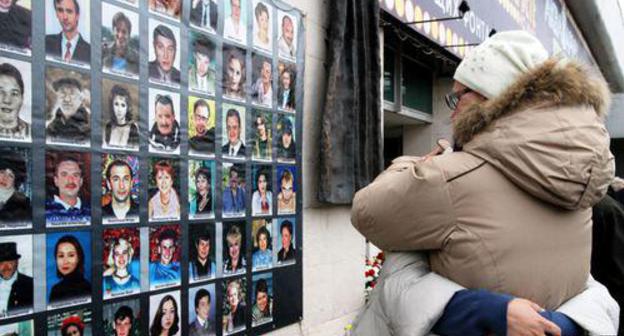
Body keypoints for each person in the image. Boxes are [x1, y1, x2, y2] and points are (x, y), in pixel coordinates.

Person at [350, 31, 620, 335]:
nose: (452, 111)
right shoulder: (580, 183)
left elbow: (366, 211)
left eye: (458, 95)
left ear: (492, 96)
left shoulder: (452, 177)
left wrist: (411, 164)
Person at [45, 154, 90, 222]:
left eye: (75, 175)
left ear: (81, 181)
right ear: (56, 180)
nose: (70, 180)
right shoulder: (43, 211)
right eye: (64, 174)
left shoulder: (92, 210)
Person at [46, 77, 90, 144]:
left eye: (72, 94)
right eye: (62, 93)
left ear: (81, 98)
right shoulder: (50, 129)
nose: (67, 99)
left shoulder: (90, 129)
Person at [49, 235, 91, 304]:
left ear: (78, 258)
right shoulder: (56, 289)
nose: (65, 261)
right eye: (61, 256)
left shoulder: (85, 289)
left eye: (71, 255)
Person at [45, 0, 90, 64]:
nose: (65, 17)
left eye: (69, 11)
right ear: (56, 14)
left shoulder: (90, 52)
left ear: (77, 16)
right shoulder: (46, 42)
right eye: (60, 10)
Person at [0, 242, 32, 316]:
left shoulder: (30, 284)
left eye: (10, 263)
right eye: (1, 263)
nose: (6, 268)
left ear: (17, 262)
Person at [102, 11, 139, 76]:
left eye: (124, 32)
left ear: (129, 35)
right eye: (117, 30)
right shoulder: (103, 50)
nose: (120, 35)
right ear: (113, 31)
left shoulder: (137, 58)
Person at [103, 85, 139, 149]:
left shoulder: (133, 127)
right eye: (116, 104)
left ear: (127, 108)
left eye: (123, 105)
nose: (119, 109)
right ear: (112, 105)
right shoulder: (108, 126)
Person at [0, 62, 29, 140]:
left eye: (14, 93)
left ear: (22, 99)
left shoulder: (32, 132)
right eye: (1, 92)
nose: (7, 100)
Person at [0, 150, 30, 224]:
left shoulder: (23, 206)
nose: (5, 178)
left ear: (15, 181)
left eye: (11, 176)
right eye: (2, 172)